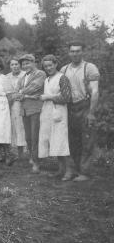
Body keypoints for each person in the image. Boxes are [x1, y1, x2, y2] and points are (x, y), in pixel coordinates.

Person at [60, 41, 100, 181]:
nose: (75, 53)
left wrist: (91, 112)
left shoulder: (89, 68)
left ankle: (85, 172)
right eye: (72, 51)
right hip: (69, 108)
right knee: (72, 140)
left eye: (78, 51)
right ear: (69, 52)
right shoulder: (64, 69)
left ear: (82, 52)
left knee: (87, 140)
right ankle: (72, 169)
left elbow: (95, 91)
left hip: (84, 105)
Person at [39, 55, 72, 180]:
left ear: (56, 64)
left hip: (59, 112)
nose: (48, 68)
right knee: (53, 141)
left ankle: (69, 171)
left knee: (61, 140)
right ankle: (61, 169)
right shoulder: (47, 79)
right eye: (46, 66)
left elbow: (66, 97)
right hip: (48, 112)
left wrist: (48, 97)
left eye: (50, 65)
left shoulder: (62, 78)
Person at [16, 54, 46, 173]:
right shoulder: (23, 77)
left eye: (28, 63)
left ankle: (37, 163)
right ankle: (33, 158)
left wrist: (22, 93)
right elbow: (16, 90)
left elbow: (35, 87)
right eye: (23, 64)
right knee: (28, 137)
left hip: (35, 109)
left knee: (35, 136)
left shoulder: (40, 74)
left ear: (34, 63)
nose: (25, 66)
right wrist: (26, 95)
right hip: (24, 110)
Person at [5, 58, 27, 158]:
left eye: (17, 64)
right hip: (10, 104)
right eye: (12, 64)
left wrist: (17, 95)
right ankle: (14, 150)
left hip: (22, 103)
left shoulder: (25, 75)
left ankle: (23, 151)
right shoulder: (7, 77)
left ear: (20, 65)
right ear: (10, 66)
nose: (15, 66)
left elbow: (25, 90)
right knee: (12, 126)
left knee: (21, 126)